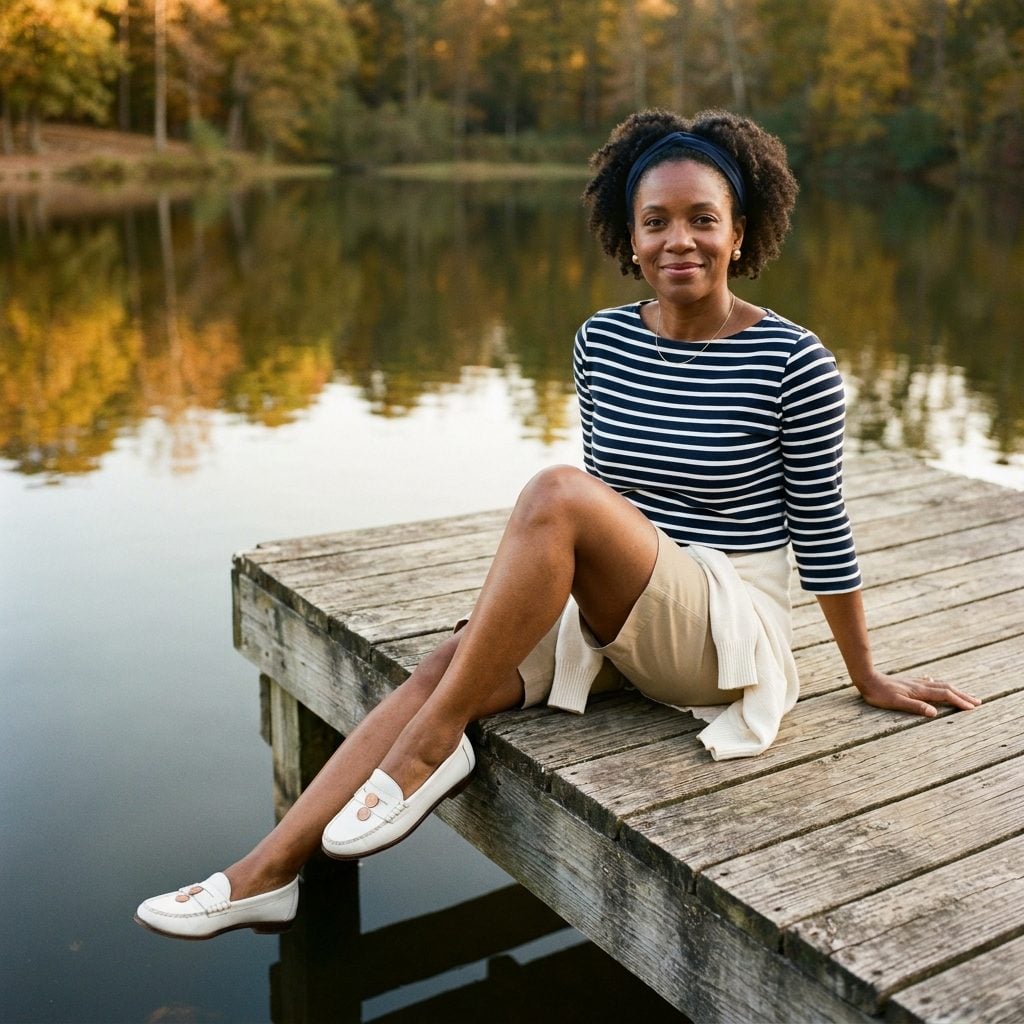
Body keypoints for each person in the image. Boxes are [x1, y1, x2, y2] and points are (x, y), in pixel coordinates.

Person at [135, 108, 981, 940]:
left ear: (740, 232)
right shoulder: (602, 341)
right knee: (450, 659)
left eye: (701, 220)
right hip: (626, 613)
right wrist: (504, 619)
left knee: (553, 492)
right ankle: (265, 875)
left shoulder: (794, 360)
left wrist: (867, 676)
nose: (677, 240)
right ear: (628, 234)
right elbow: (605, 507)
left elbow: (822, 531)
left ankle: (430, 752)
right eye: (655, 221)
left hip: (726, 630)